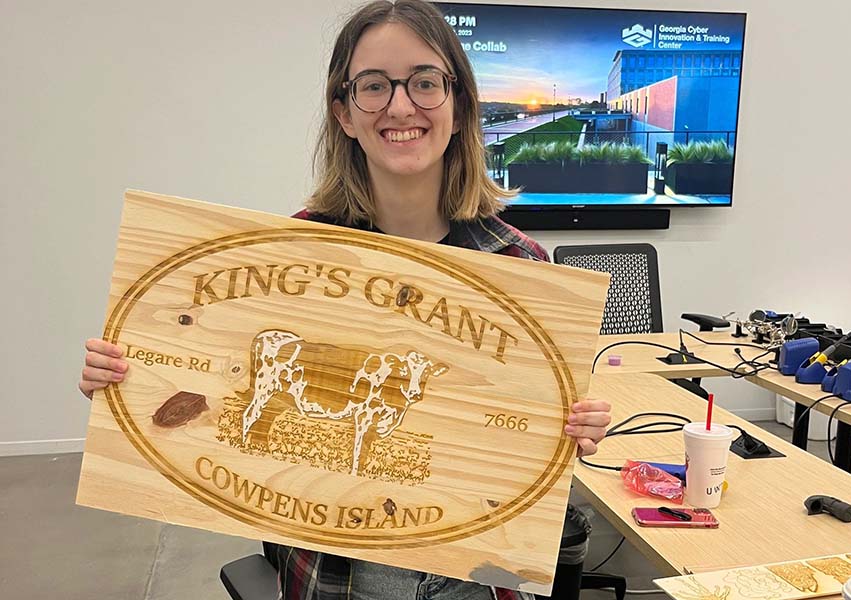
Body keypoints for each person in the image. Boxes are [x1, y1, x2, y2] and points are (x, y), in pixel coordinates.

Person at [78, 1, 612, 598]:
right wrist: (128, 374)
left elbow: (529, 441)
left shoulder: (521, 268)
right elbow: (200, 366)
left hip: (476, 581)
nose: (400, 106)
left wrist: (575, 425)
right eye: (374, 86)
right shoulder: (290, 255)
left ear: (459, 107)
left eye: (425, 82)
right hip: (334, 581)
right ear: (344, 113)